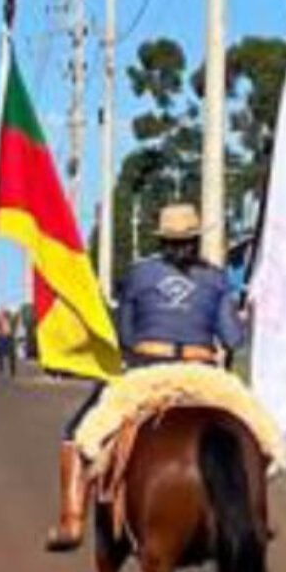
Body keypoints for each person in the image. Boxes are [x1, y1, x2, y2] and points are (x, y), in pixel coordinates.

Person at [45, 202, 245, 552]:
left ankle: (71, 520)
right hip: (204, 376)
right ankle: (255, 516)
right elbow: (233, 339)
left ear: (162, 240)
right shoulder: (216, 278)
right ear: (196, 239)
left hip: (146, 372)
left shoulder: (139, 275)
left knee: (79, 433)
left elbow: (125, 335)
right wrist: (241, 313)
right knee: (257, 432)